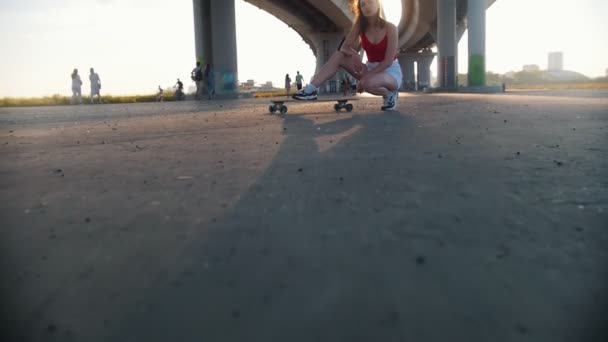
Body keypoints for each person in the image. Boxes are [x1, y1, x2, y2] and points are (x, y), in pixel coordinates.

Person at [292, 0, 402, 111]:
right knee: (339, 55)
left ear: (378, 4)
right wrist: (354, 54)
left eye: (370, 2)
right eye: (363, 4)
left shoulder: (390, 28)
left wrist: (365, 77)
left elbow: (388, 61)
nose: (367, 6)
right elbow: (344, 47)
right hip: (370, 68)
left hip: (390, 71)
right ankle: (311, 90)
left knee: (368, 83)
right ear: (360, 9)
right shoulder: (360, 26)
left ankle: (389, 94)